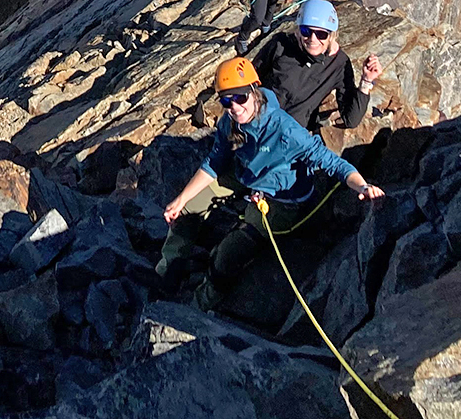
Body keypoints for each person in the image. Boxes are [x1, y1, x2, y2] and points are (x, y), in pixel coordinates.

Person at [157, 57, 385, 308]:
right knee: (188, 209)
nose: (234, 106)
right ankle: (167, 272)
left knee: (228, 252)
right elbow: (215, 162)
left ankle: (200, 303)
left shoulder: (285, 130)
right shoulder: (229, 122)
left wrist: (362, 186)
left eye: (240, 97)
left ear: (254, 92)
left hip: (281, 200)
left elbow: (332, 163)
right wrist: (181, 200)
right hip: (247, 174)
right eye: (226, 100)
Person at [255, 0, 381, 134]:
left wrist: (366, 82)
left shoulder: (339, 64)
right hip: (258, 122)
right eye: (306, 31)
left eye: (321, 34)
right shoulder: (281, 44)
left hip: (291, 137)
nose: (313, 39)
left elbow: (351, 120)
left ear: (331, 35)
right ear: (298, 29)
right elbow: (251, 77)